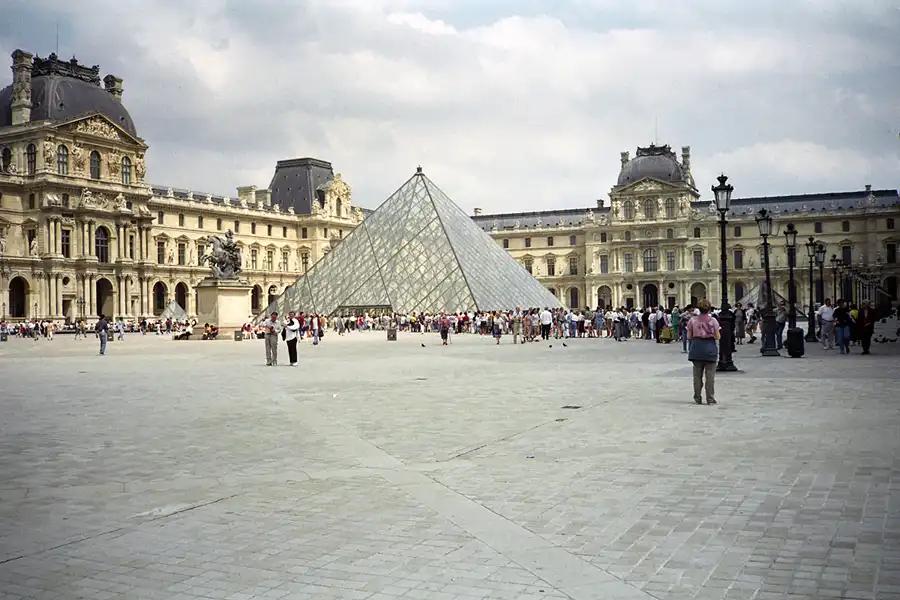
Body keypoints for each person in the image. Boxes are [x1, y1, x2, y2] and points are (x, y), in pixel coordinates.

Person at [687, 299, 719, 405]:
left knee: (697, 376)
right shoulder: (713, 320)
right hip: (709, 348)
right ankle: (710, 398)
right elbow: (717, 336)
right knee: (710, 377)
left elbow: (689, 336)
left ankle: (697, 397)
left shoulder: (692, 320)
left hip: (696, 347)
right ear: (709, 309)